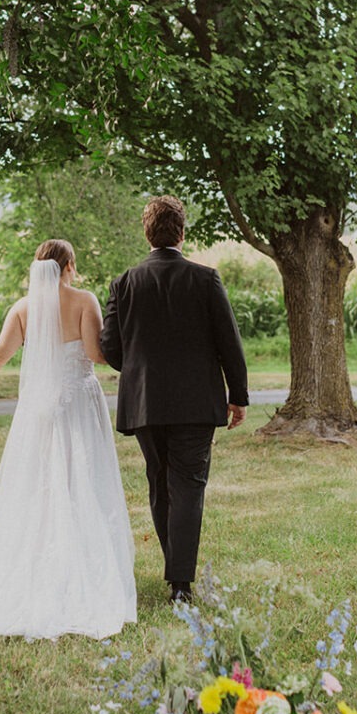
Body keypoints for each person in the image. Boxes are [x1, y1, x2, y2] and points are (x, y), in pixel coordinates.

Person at [0, 239, 136, 639]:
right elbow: (96, 354)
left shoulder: (23, 309)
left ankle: (38, 560)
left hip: (38, 407)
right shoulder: (83, 300)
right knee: (82, 481)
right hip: (77, 402)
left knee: (40, 485)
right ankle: (82, 566)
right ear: (69, 265)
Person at [100, 195, 248, 604]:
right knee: (189, 486)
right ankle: (180, 584)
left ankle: (176, 571)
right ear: (182, 233)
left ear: (147, 234)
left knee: (160, 483)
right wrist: (238, 396)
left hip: (146, 403)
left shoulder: (125, 283)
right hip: (197, 403)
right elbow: (229, 343)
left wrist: (140, 367)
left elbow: (110, 349)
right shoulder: (205, 279)